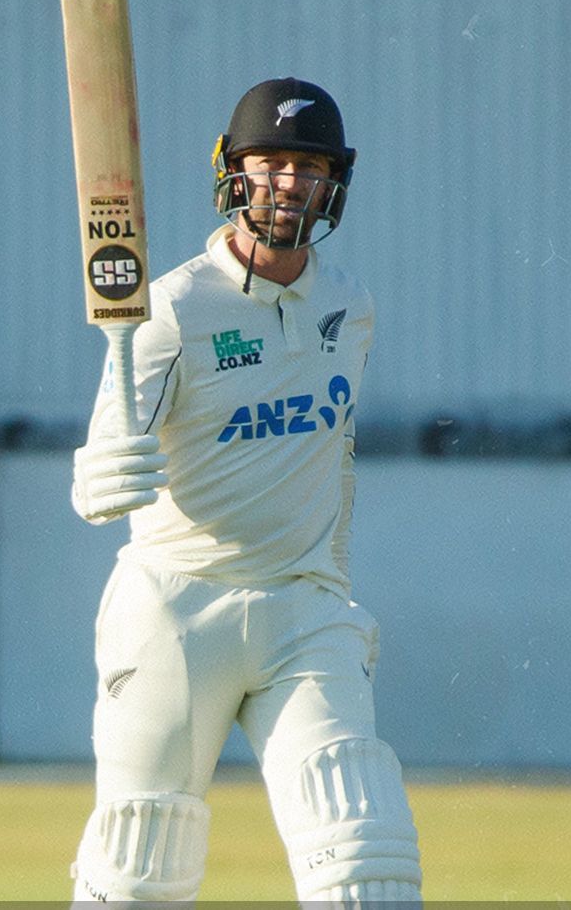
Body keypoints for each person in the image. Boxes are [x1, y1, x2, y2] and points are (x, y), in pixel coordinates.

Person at [69, 77, 422, 905]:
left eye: (308, 165)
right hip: (174, 609)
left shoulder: (350, 304)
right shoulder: (172, 308)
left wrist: (332, 588)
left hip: (302, 609)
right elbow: (109, 451)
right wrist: (96, 479)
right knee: (137, 870)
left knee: (366, 861)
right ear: (233, 171)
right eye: (270, 162)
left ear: (336, 180)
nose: (289, 183)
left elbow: (334, 455)